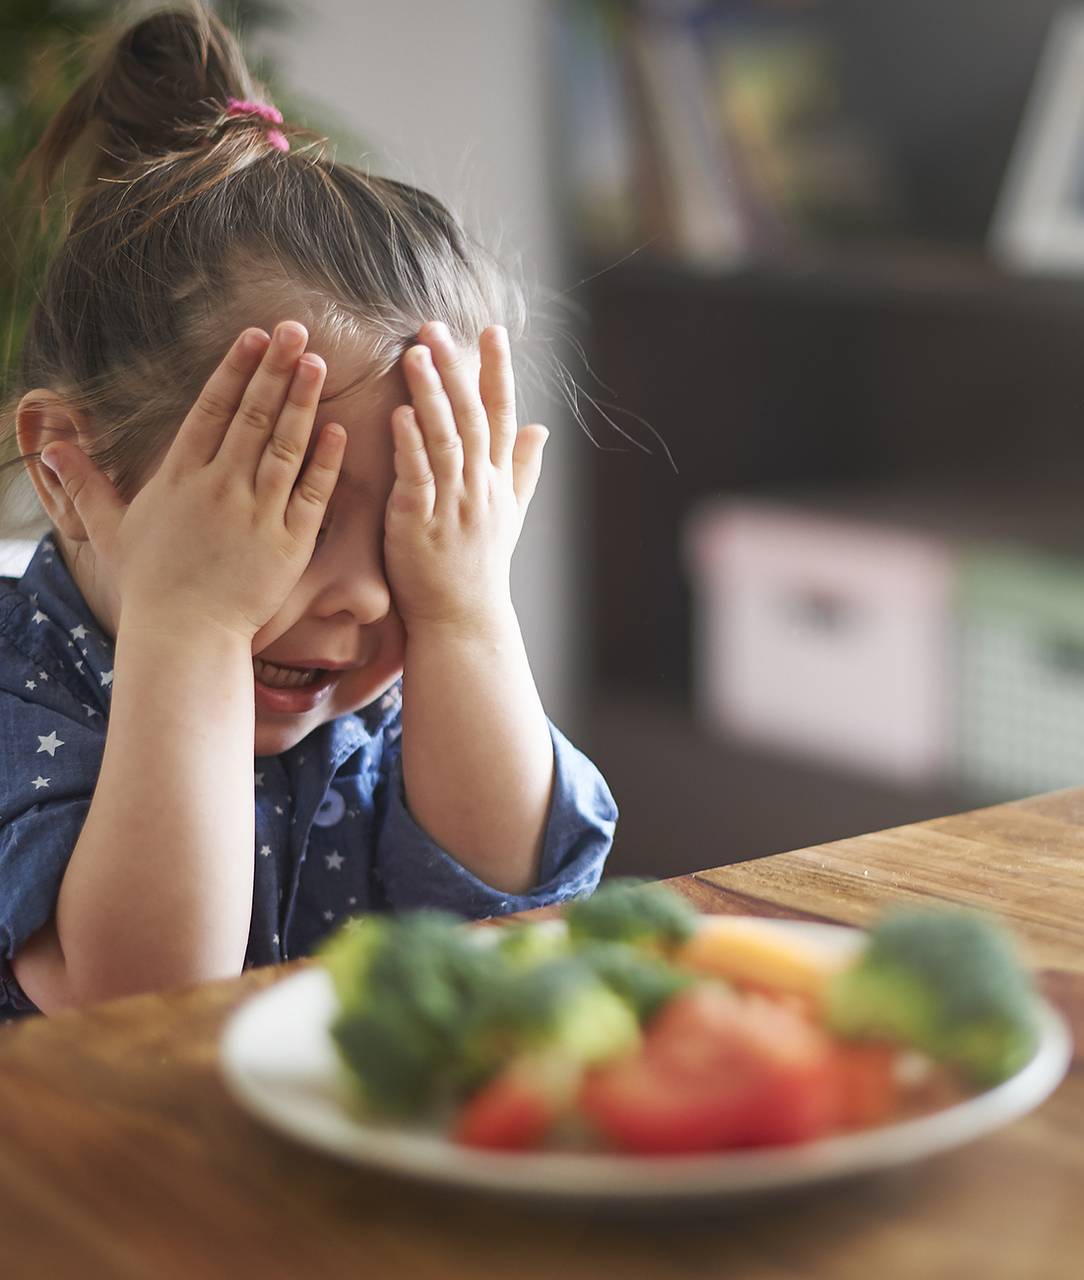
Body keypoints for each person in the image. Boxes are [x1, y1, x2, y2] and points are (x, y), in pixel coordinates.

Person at [0, 4, 616, 1021]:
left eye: (408, 528)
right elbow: (144, 1006)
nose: (371, 589)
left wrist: (463, 610)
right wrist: (190, 624)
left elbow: (511, 902)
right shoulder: (26, 703)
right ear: (71, 476)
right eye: (289, 511)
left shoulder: (399, 672)